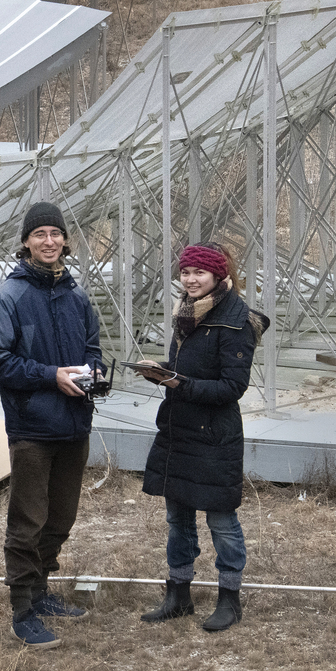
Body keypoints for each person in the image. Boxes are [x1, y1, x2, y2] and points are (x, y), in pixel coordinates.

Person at [0, 201, 103, 650]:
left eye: (55, 233)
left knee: (61, 517)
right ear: (26, 243)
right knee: (28, 519)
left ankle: (41, 590)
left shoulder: (76, 295)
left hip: (75, 424)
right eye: (40, 235)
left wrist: (91, 374)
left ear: (66, 241)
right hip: (33, 427)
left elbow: (91, 345)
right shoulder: (9, 297)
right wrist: (50, 375)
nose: (49, 241)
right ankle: (21, 610)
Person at [136, 243, 267, 632]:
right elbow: (186, 368)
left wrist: (180, 383)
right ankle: (178, 594)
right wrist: (160, 369)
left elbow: (231, 387)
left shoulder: (236, 321)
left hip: (213, 437)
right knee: (178, 519)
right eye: (186, 272)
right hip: (179, 430)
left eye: (199, 273)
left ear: (219, 277)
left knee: (222, 520)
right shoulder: (187, 315)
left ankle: (230, 598)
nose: (190, 280)